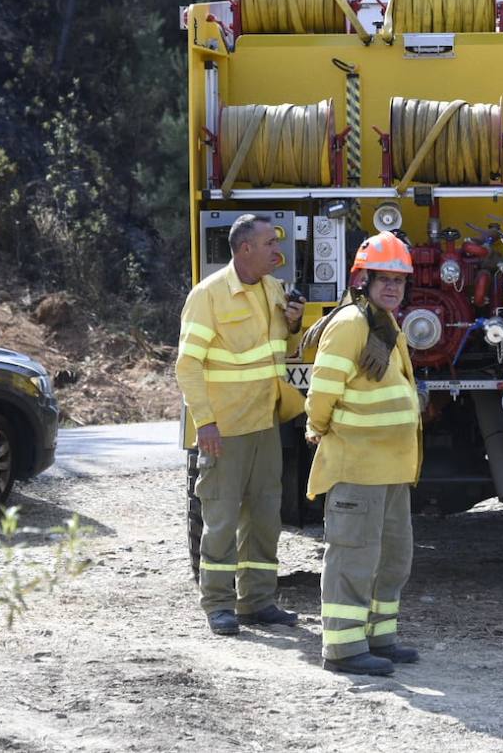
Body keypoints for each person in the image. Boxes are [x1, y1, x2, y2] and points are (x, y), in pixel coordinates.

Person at [176, 213, 307, 636]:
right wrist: (205, 423)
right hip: (223, 430)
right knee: (221, 519)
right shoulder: (208, 296)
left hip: (264, 423)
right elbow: (188, 365)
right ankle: (218, 603)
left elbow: (277, 352)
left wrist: (293, 326)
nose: (278, 250)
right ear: (245, 248)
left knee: (265, 516)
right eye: (270, 243)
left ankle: (256, 601)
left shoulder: (274, 290)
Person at [304, 231, 423, 676]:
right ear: (362, 280)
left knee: (393, 558)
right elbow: (322, 390)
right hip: (357, 466)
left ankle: (380, 637)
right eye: (384, 279)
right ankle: (343, 649)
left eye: (399, 280)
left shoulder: (385, 324)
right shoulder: (351, 324)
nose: (393, 287)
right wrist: (318, 430)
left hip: (391, 469)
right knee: (352, 556)